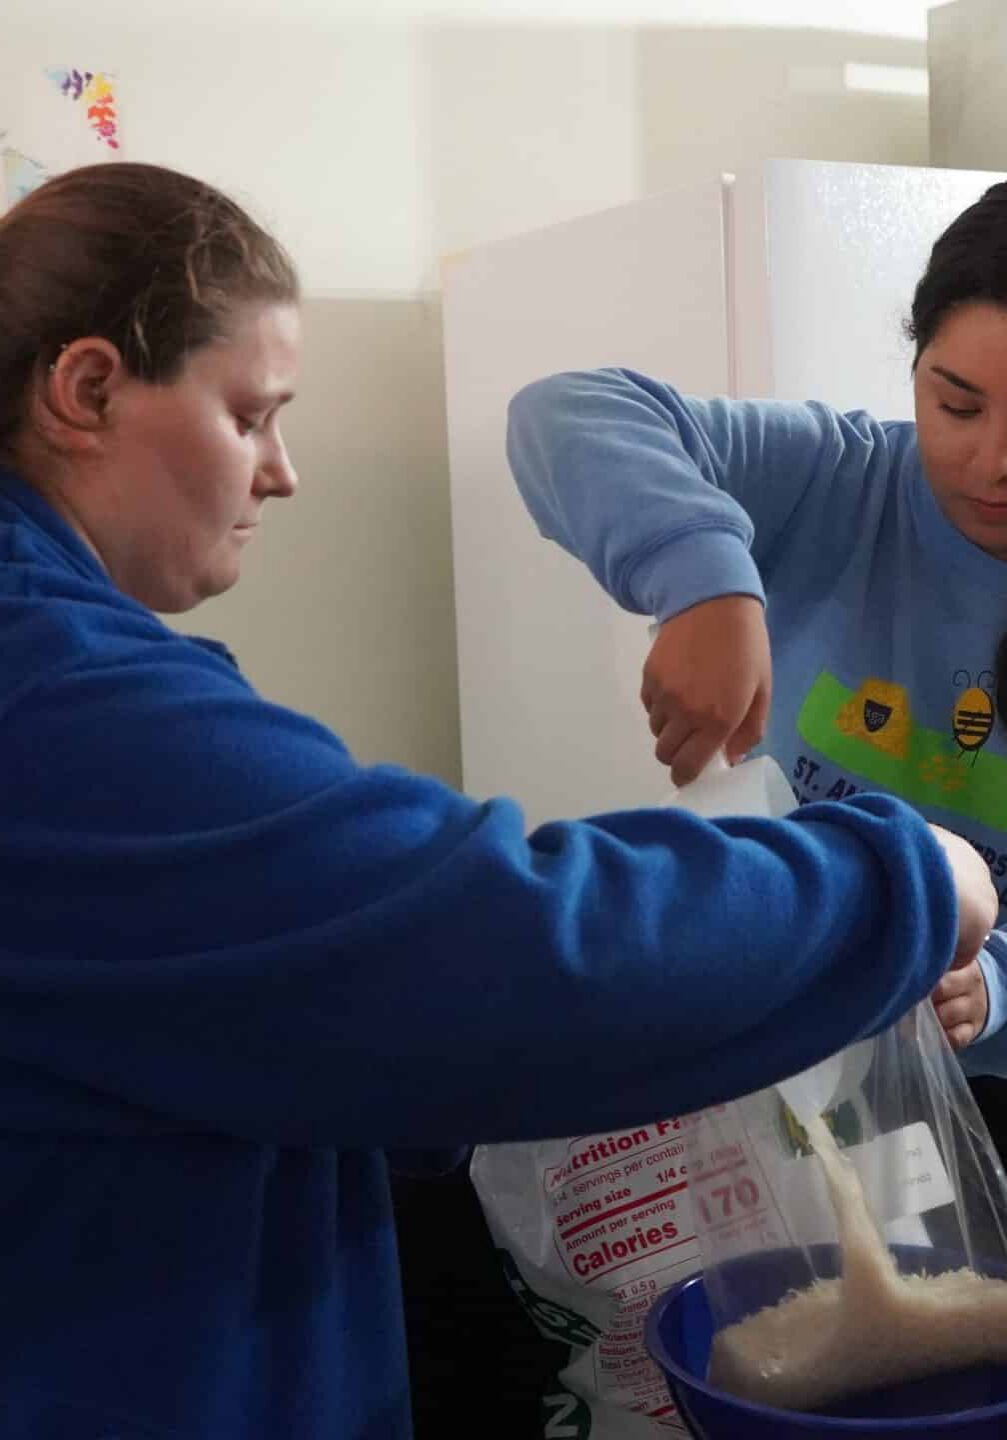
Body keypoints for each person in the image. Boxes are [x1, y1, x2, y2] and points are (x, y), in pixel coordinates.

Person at [0, 162, 993, 1440]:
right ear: (85, 391)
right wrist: (902, 876)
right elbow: (499, 942)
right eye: (251, 414)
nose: (283, 471)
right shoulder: (57, 702)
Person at [507, 180, 1007, 1094]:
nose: (990, 465)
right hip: (793, 1036)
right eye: (958, 407)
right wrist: (702, 579)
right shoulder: (839, 479)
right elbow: (567, 412)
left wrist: (997, 983)